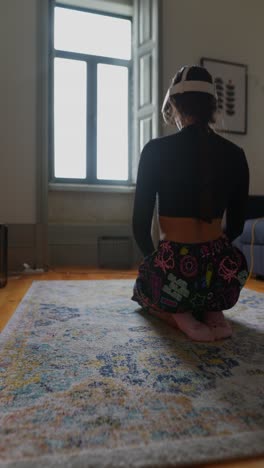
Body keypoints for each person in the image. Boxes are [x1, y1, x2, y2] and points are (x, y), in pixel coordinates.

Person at [131, 65, 249, 342]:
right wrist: (210, 252)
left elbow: (139, 226)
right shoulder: (236, 154)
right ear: (213, 107)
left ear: (173, 104)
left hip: (175, 270)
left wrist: (155, 264)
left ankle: (180, 314)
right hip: (218, 274)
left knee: (142, 288)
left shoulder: (155, 150)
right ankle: (212, 310)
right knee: (215, 262)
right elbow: (237, 225)